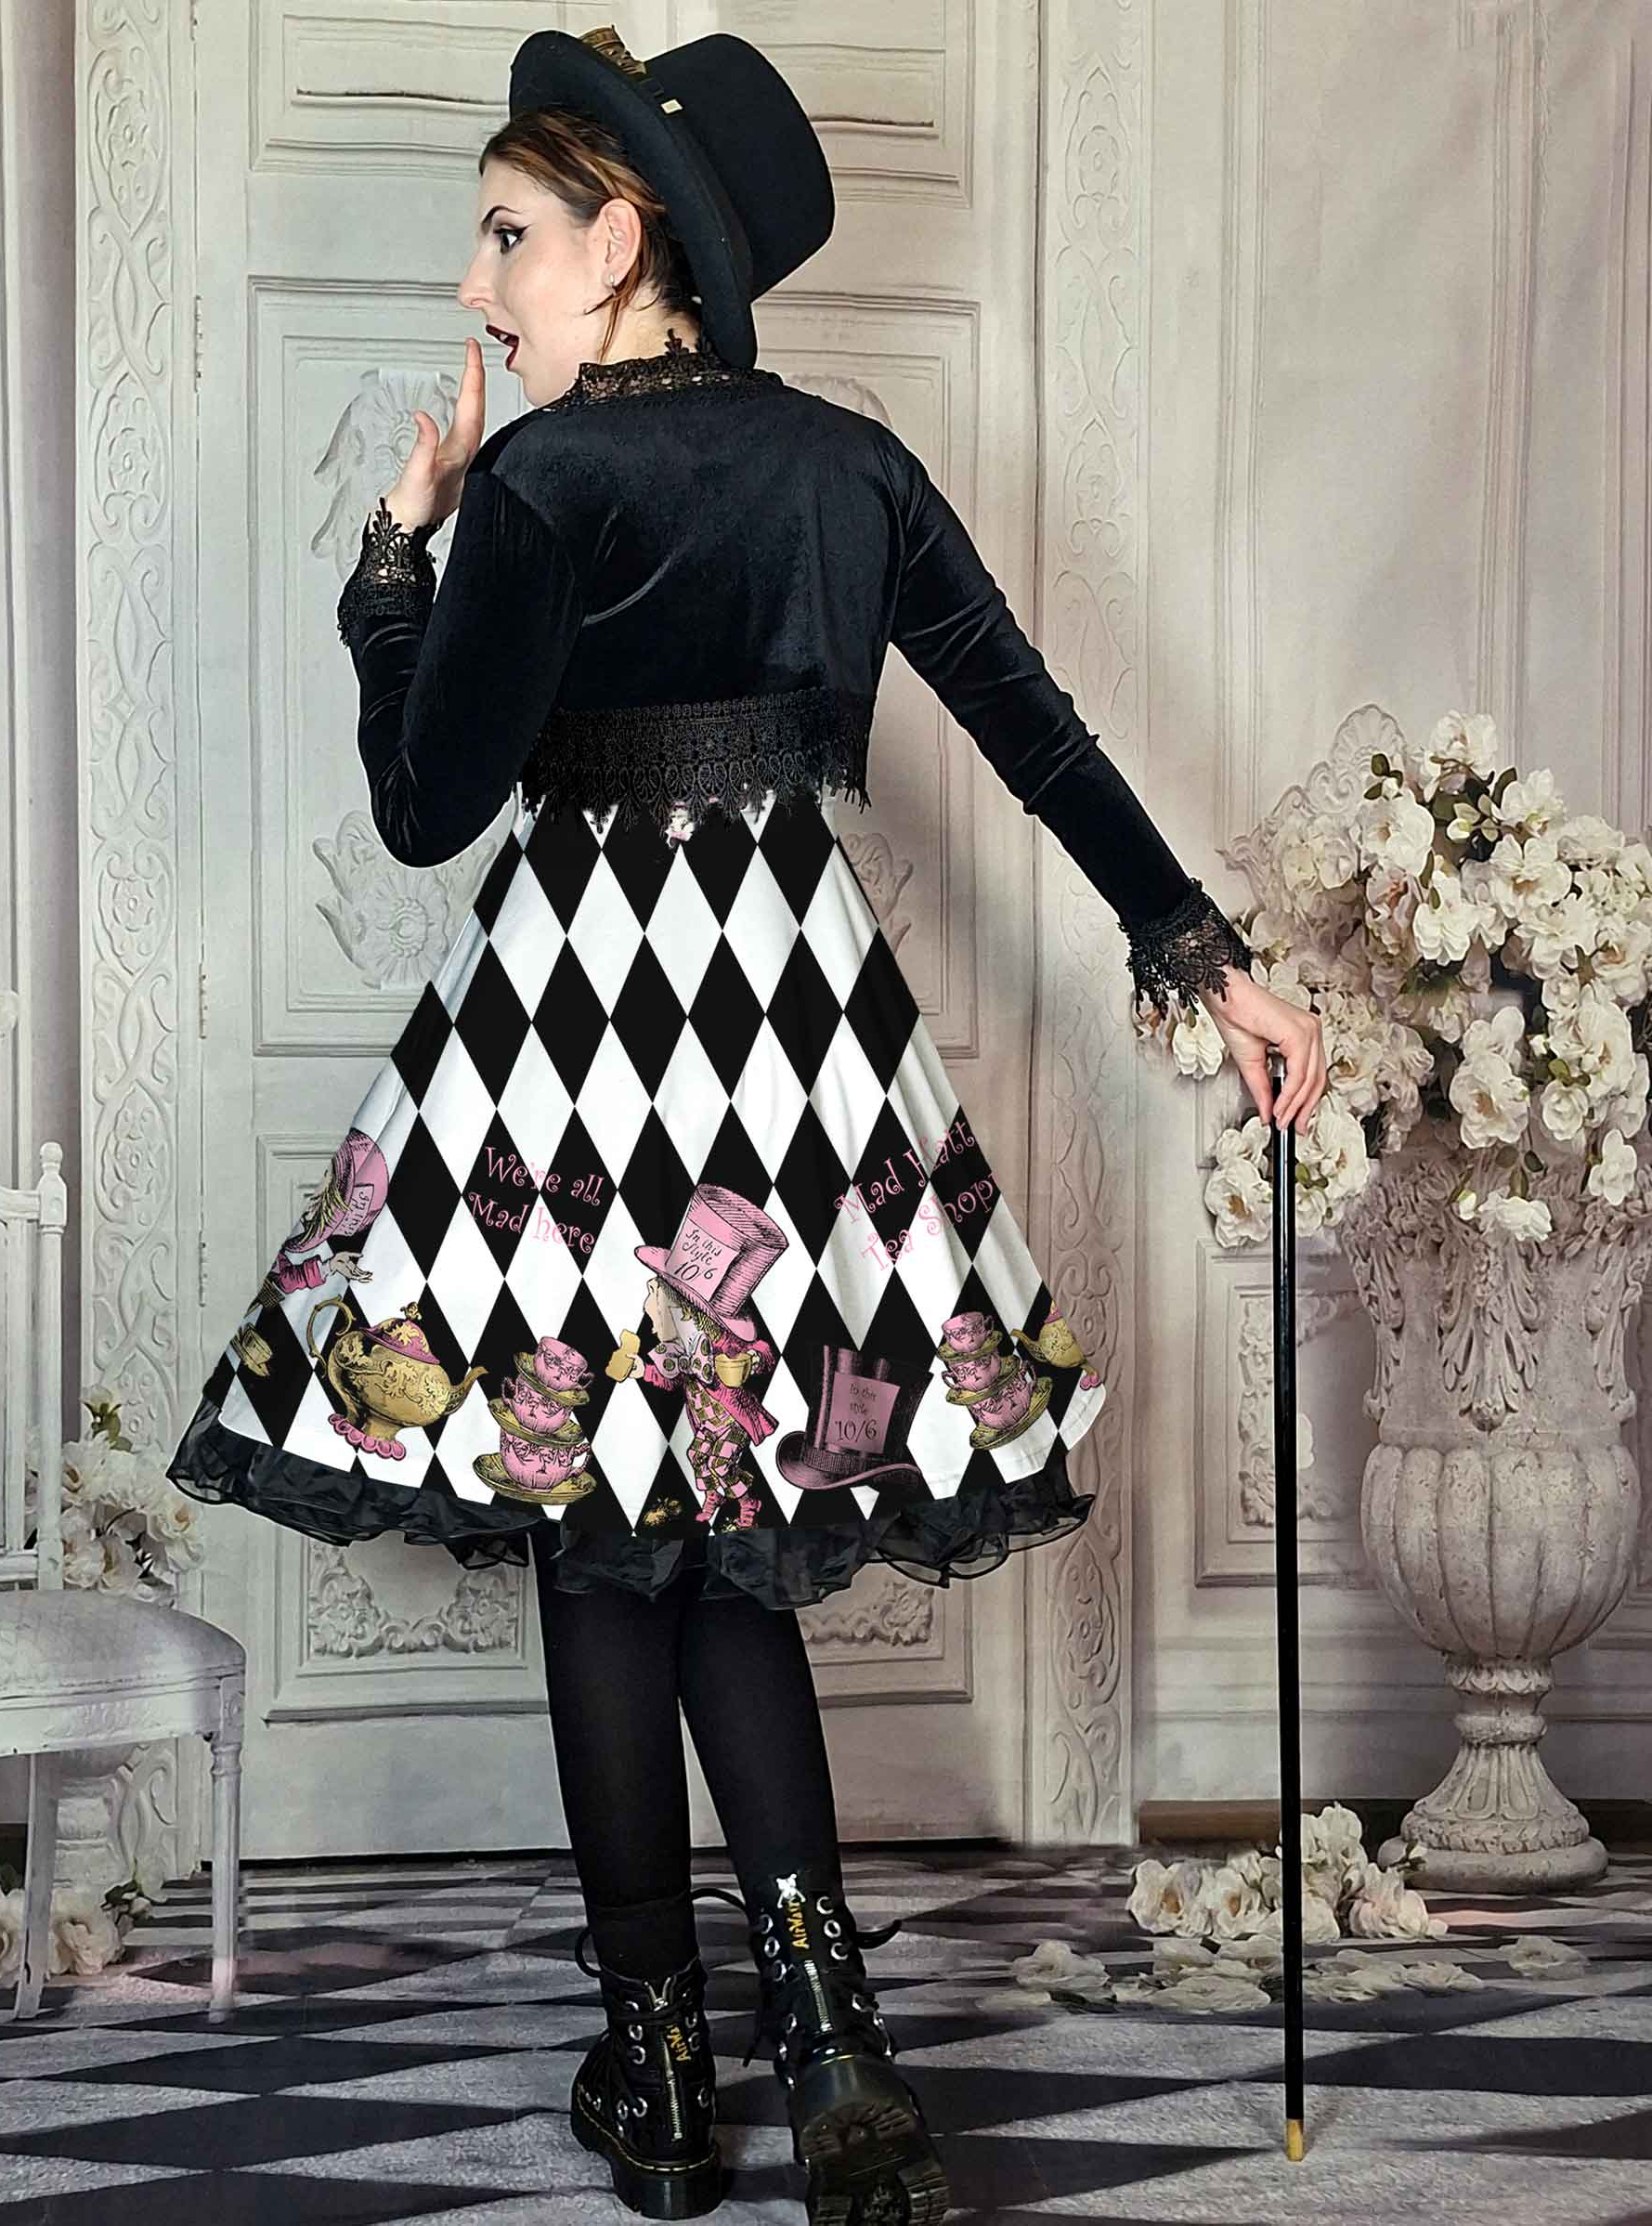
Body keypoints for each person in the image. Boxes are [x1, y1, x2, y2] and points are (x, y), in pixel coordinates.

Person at [167, 24, 1327, 2225]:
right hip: (789, 1033)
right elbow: (1032, 728)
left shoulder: (536, 486)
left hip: (570, 1032)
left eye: (507, 235)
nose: (478, 286)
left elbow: (425, 806)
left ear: (620, 243)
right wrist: (1212, 960)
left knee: (608, 1545)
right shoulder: (847, 465)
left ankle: (661, 2064)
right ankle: (834, 2041)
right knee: (716, 1532)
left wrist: (397, 562)